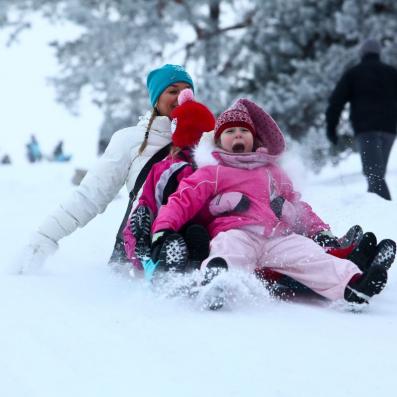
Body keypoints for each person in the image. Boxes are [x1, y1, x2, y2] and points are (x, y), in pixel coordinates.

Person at [151, 99, 389, 305]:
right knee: (228, 250)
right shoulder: (213, 171)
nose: (238, 135)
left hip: (278, 237)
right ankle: (216, 282)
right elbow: (183, 199)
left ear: (254, 140)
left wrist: (318, 230)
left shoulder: (272, 171)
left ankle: (353, 283)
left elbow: (298, 205)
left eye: (244, 132)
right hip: (237, 233)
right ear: (219, 141)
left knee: (311, 255)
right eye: (230, 132)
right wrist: (163, 230)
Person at [14, 64, 195, 274]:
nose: (181, 97)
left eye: (186, 91)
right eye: (172, 91)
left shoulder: (209, 141)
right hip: (141, 251)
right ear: (156, 99)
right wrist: (45, 238)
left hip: (197, 246)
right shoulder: (130, 140)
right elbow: (90, 196)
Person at [123, 88, 215, 276]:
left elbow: (146, 204)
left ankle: (154, 261)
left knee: (171, 231)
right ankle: (185, 264)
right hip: (193, 234)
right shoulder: (216, 170)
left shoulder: (165, 168)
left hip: (166, 230)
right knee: (194, 233)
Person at [326, 38, 397, 201]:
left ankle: (386, 215)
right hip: (389, 131)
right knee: (376, 175)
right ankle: (377, 214)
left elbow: (336, 102)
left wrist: (331, 128)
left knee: (375, 176)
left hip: (366, 130)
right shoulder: (392, 72)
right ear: (378, 53)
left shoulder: (353, 73)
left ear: (362, 53)